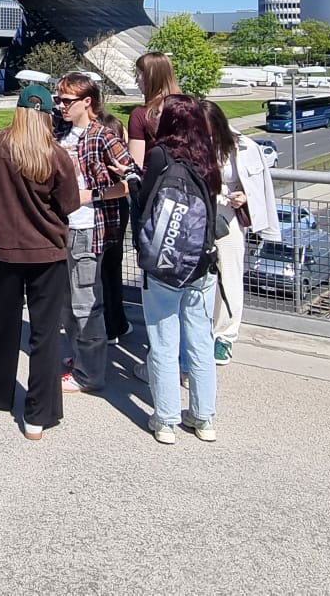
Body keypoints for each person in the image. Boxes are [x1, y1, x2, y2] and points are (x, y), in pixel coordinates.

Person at [0, 83, 80, 439]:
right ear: (46, 115)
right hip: (45, 250)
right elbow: (69, 203)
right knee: (45, 334)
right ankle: (37, 415)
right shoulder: (55, 155)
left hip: (3, 246)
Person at [135, 94, 224, 444]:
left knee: (163, 340)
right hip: (201, 261)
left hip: (164, 262)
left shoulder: (161, 154)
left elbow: (145, 201)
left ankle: (166, 419)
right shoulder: (208, 156)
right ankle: (203, 417)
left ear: (170, 121)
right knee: (200, 341)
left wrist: (132, 180)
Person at [53, 72, 138, 394]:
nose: (60, 105)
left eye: (66, 100)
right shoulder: (58, 131)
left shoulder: (103, 136)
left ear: (86, 101)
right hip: (61, 227)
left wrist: (92, 195)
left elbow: (132, 181)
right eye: (57, 99)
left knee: (86, 303)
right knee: (66, 301)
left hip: (89, 228)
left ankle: (90, 374)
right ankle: (81, 357)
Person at [204, 99, 281, 365]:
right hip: (200, 215)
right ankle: (201, 329)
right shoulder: (192, 144)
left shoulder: (244, 146)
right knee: (200, 277)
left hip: (228, 217)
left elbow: (257, 187)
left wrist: (244, 197)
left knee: (230, 275)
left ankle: (225, 335)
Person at [115, 50, 181, 338]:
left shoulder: (141, 115)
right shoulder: (190, 109)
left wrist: (122, 170)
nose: (137, 80)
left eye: (139, 75)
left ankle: (161, 345)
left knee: (154, 275)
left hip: (153, 202)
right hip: (188, 201)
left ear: (150, 77)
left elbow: (135, 166)